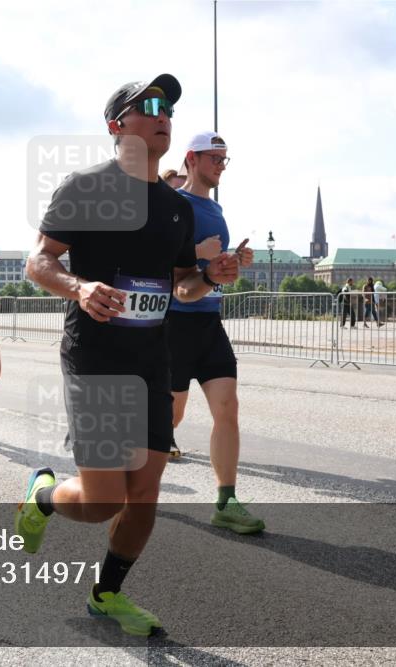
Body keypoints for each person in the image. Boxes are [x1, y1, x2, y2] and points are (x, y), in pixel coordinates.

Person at [15, 74, 238, 637]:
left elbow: (183, 286)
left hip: (151, 358)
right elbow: (38, 263)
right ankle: (42, 495)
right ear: (117, 126)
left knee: (143, 496)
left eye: (169, 109)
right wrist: (79, 289)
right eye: (150, 106)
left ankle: (106, 595)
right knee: (101, 500)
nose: (164, 115)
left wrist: (210, 276)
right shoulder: (87, 188)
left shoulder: (176, 208)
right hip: (95, 355)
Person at [165, 131, 264, 534]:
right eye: (214, 158)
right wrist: (202, 262)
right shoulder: (174, 206)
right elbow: (177, 280)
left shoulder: (216, 210)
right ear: (192, 159)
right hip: (173, 325)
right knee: (169, 416)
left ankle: (226, 500)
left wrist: (232, 263)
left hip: (209, 322)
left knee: (227, 408)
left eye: (225, 159)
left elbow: (211, 277)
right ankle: (131, 482)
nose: (221, 165)